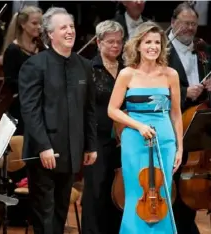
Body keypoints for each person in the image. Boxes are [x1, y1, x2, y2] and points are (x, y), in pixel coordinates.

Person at [18, 7, 97, 234]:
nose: (70, 31)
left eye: (71, 26)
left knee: (60, 213)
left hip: (71, 151)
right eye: (63, 27)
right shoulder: (34, 65)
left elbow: (89, 110)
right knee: (45, 215)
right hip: (44, 153)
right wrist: (43, 146)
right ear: (50, 34)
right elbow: (30, 111)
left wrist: (90, 145)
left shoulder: (84, 65)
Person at [107, 21, 183, 234]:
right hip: (134, 139)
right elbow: (113, 110)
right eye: (148, 42)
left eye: (157, 42)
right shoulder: (127, 74)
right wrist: (138, 125)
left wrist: (180, 147)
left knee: (162, 194)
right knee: (135, 194)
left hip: (164, 139)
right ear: (138, 45)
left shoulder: (171, 74)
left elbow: (176, 113)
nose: (153, 46)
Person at [167, 3, 211, 233]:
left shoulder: (205, 49)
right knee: (176, 174)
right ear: (173, 23)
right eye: (184, 23)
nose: (189, 28)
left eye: (193, 23)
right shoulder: (160, 49)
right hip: (173, 119)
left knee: (192, 176)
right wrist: (183, 93)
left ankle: (186, 223)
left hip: (199, 119)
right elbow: (151, 82)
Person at [81, 20, 124, 234]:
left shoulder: (128, 68)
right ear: (98, 42)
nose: (115, 46)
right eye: (110, 42)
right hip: (96, 137)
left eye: (119, 42)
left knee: (118, 192)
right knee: (96, 191)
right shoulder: (89, 69)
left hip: (124, 138)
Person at [3, 5, 43, 135]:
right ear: (23, 24)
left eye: (40, 23)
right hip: (22, 106)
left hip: (42, 104)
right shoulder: (13, 50)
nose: (39, 27)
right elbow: (10, 82)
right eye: (34, 23)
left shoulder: (42, 47)